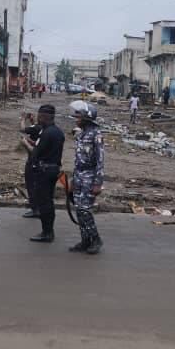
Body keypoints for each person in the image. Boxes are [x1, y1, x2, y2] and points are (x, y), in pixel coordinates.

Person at [68, 100, 105, 254]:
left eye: (79, 117)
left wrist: (98, 183)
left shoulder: (96, 135)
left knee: (85, 210)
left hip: (90, 177)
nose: (76, 119)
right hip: (79, 176)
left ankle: (96, 239)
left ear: (87, 118)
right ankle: (85, 240)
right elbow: (78, 159)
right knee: (78, 210)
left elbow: (100, 160)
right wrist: (73, 179)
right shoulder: (81, 134)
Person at [29, 103, 66, 244]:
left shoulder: (46, 133)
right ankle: (48, 231)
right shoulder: (58, 132)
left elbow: (37, 153)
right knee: (48, 201)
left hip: (44, 171)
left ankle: (47, 232)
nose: (38, 119)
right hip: (54, 169)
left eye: (39, 116)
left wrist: (27, 145)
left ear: (45, 117)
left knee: (44, 203)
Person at [20, 112, 42, 219]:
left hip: (33, 161)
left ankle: (35, 209)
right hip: (40, 163)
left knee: (31, 185)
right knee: (36, 185)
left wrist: (26, 144)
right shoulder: (44, 129)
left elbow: (23, 129)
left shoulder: (37, 128)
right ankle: (37, 208)